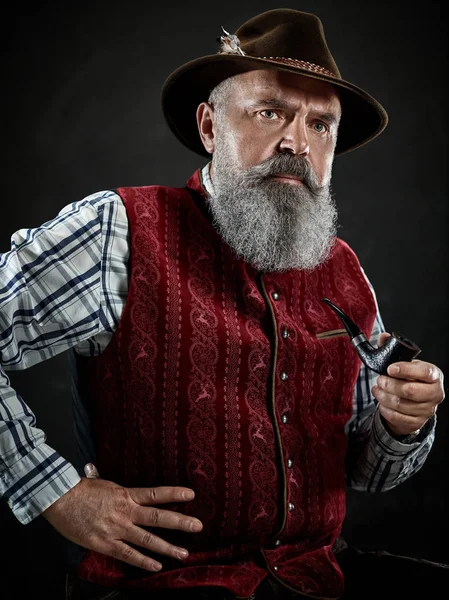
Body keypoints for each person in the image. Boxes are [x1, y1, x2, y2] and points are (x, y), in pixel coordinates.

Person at [0, 7, 447, 600]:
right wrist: (54, 491)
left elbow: (370, 472)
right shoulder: (121, 229)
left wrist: (403, 424)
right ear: (210, 127)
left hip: (318, 578)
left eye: (320, 125)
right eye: (270, 113)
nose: (295, 141)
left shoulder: (343, 269)